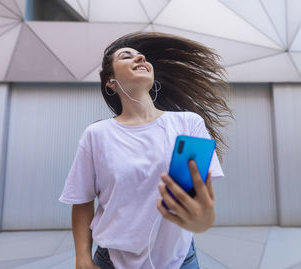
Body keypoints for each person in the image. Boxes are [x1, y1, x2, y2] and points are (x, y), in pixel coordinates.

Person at [58, 31, 233, 269]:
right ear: (111, 81)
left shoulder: (188, 124)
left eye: (142, 57)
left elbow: (199, 203)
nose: (140, 59)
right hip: (111, 261)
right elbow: (82, 201)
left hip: (179, 260)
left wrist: (203, 221)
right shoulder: (96, 135)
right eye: (126, 56)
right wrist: (82, 259)